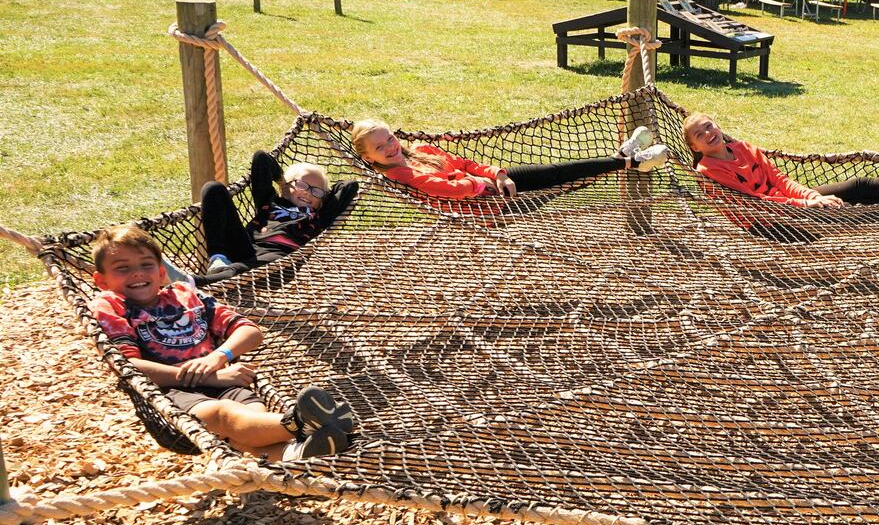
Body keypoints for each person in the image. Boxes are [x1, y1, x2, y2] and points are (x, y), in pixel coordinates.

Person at [90, 225, 356, 461]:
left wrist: (219, 357)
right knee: (224, 415)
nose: (137, 274)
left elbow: (250, 331)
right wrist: (213, 377)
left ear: (161, 273)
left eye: (146, 265)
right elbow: (128, 365)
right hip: (169, 393)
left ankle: (296, 454)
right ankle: (302, 423)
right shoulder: (112, 305)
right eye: (122, 268)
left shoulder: (184, 295)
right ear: (101, 280)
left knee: (251, 425)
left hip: (223, 377)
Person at [684, 113, 879, 210]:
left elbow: (780, 179)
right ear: (694, 146)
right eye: (699, 134)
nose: (708, 133)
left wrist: (811, 196)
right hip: (771, 224)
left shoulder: (742, 147)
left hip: (792, 207)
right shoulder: (708, 171)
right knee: (856, 208)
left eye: (709, 125)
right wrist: (808, 205)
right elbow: (756, 203)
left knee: (858, 189)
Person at [350, 119, 667, 200]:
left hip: (500, 186)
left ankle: (628, 160)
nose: (390, 147)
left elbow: (466, 163)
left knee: (560, 173)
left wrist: (497, 173)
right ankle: (628, 160)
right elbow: (444, 189)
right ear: (369, 157)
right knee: (565, 182)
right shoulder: (399, 175)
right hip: (491, 204)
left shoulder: (419, 151)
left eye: (389, 138)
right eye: (380, 148)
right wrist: (477, 183)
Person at [196, 151, 359, 283]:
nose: (307, 192)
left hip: (281, 262)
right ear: (287, 187)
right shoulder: (270, 201)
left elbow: (350, 186)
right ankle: (218, 259)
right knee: (213, 188)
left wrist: (323, 199)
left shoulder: (318, 217)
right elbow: (261, 158)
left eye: (315, 191)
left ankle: (200, 282)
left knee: (246, 268)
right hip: (245, 246)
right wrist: (282, 182)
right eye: (301, 185)